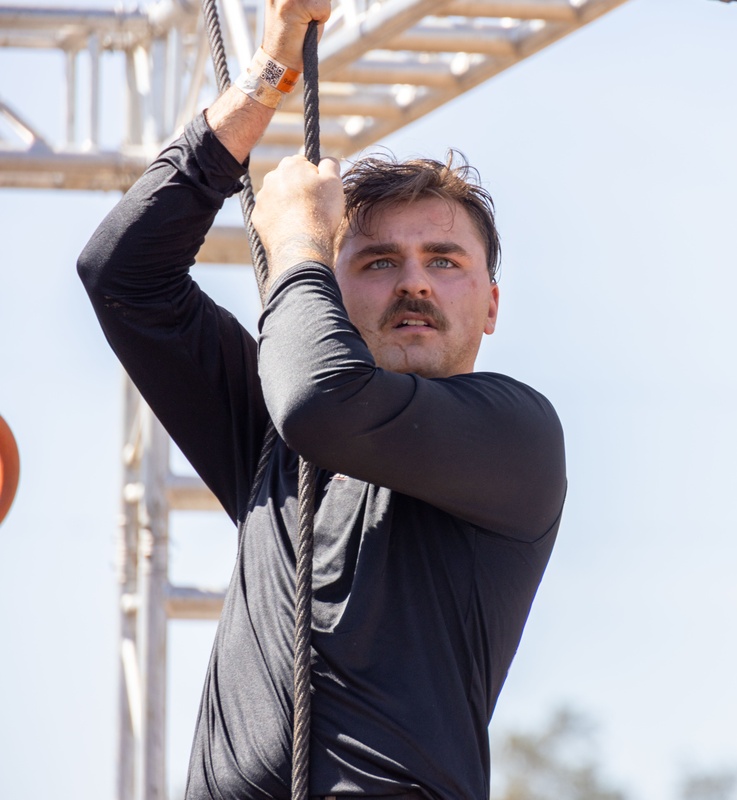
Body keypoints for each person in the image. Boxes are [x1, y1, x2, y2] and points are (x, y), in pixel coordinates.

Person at [77, 0, 566, 798]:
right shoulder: (275, 438)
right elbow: (122, 278)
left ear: (491, 306)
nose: (412, 279)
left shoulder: (517, 438)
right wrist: (268, 77)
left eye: (444, 260)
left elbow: (321, 402)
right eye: (376, 261)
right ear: (334, 293)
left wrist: (302, 241)